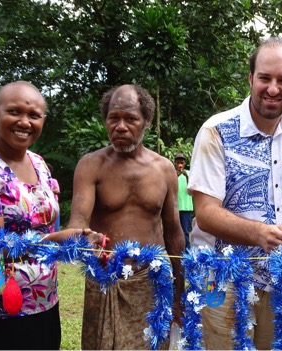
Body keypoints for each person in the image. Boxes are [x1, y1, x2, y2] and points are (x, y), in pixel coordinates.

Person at [187, 37, 282, 350]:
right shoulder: (216, 131)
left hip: (276, 278)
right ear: (250, 79)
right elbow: (206, 213)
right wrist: (259, 233)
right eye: (265, 78)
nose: (273, 88)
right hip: (222, 279)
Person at [0, 81, 98, 350]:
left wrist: (79, 241)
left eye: (34, 115)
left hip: (45, 299)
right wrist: (59, 239)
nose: (24, 122)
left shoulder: (39, 163)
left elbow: (43, 223)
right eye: (14, 112)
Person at [67, 84, 185, 350]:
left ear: (146, 122)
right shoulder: (90, 165)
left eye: (130, 118)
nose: (120, 126)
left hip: (151, 282)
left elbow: (174, 233)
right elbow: (78, 222)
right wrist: (81, 238)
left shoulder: (164, 169)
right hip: (105, 282)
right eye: (113, 118)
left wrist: (179, 291)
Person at [173, 152, 194, 250]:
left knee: (185, 231)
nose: (180, 164)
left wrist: (186, 176)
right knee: (174, 231)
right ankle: (177, 250)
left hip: (186, 207)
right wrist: (176, 176)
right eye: (178, 162)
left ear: (185, 163)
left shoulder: (189, 173)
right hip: (175, 208)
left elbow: (193, 188)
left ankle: (187, 252)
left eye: (181, 162)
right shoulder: (172, 174)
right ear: (175, 164)